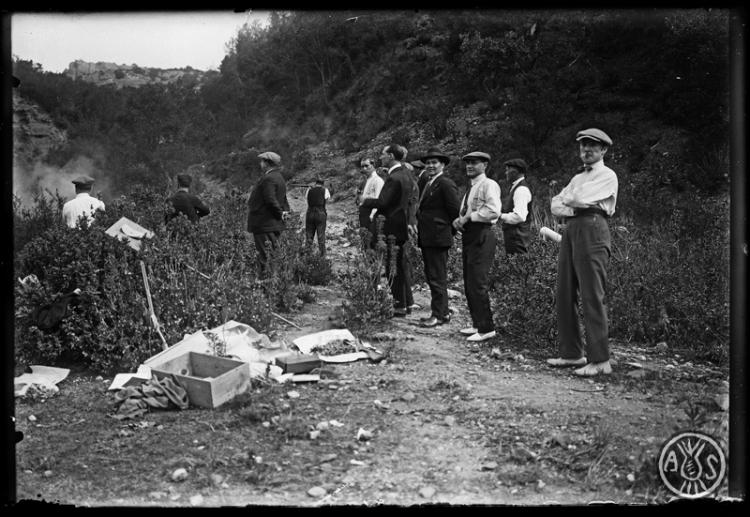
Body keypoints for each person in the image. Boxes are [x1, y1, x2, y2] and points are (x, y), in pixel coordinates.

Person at [547, 128, 618, 377]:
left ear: (603, 150)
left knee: (591, 294)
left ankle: (600, 360)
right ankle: (572, 353)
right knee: (565, 291)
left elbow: (577, 199)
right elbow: (557, 203)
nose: (586, 150)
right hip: (572, 230)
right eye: (583, 146)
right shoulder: (578, 177)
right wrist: (571, 201)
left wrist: (572, 201)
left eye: (592, 146)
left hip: (593, 229)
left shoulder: (608, 175)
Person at [360, 144, 416, 317]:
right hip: (400, 224)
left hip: (390, 226)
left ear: (391, 156)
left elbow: (383, 202)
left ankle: (399, 306)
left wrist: (365, 200)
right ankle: (407, 303)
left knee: (392, 267)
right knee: (399, 265)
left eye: (383, 155)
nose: (381, 158)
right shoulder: (406, 174)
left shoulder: (394, 177)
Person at [452, 151, 502, 342]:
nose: (470, 166)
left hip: (482, 233)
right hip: (470, 234)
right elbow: (469, 210)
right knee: (469, 280)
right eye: (467, 163)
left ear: (485, 165)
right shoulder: (472, 187)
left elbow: (493, 210)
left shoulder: (489, 185)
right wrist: (460, 220)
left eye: (474, 163)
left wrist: (469, 218)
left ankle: (486, 327)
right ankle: (477, 323)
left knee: (478, 281)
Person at [416, 147, 461, 327]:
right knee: (432, 275)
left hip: (438, 236)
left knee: (437, 276)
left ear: (442, 164)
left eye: (434, 163)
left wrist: (448, 231)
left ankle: (439, 315)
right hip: (429, 235)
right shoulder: (429, 182)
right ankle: (442, 312)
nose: (431, 166)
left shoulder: (445, 183)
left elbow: (454, 211)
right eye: (428, 163)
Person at [247, 151, 290, 273]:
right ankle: (274, 282)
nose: (260, 163)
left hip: (264, 223)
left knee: (264, 256)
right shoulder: (279, 177)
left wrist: (279, 213)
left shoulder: (269, 178)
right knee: (272, 255)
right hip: (273, 224)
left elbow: (270, 199)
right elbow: (283, 199)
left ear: (267, 163)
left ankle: (267, 285)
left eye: (262, 161)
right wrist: (284, 213)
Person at [499, 158, 533, 254]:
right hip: (515, 238)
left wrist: (500, 215)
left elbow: (519, 217)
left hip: (518, 240)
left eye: (507, 170)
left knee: (519, 267)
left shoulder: (521, 189)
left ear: (515, 171)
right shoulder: (517, 187)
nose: (506, 173)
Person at [356, 157, 385, 237]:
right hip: (364, 212)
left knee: (370, 238)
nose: (364, 168)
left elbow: (378, 199)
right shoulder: (366, 180)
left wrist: (372, 215)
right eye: (362, 166)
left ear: (373, 165)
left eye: (366, 165)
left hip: (370, 213)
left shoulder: (378, 180)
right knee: (364, 237)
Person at [305, 177, 330, 257]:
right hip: (320, 212)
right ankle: (322, 255)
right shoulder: (325, 190)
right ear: (322, 184)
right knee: (321, 236)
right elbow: (326, 200)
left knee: (309, 235)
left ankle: (308, 254)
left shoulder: (309, 190)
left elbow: (307, 198)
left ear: (316, 183)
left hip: (310, 212)